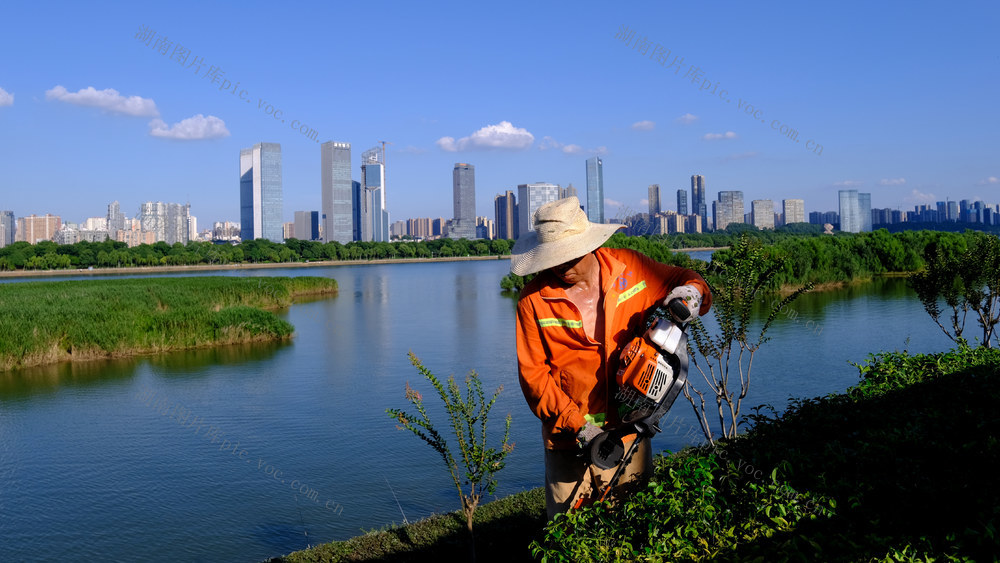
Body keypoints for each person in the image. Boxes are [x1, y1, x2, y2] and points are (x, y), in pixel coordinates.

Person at [511, 197, 712, 519]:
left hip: (630, 425)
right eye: (553, 259)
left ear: (589, 245)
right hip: (568, 437)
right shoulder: (534, 301)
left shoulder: (630, 269)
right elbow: (534, 378)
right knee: (569, 530)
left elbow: (686, 279)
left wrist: (690, 295)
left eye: (569, 256)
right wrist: (582, 429)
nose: (561, 266)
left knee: (633, 519)